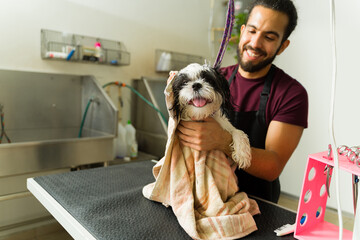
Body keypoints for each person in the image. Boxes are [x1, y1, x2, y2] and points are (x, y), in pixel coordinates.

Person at [176, 0, 308, 203]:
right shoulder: (213, 81)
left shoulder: (291, 94)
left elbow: (273, 166)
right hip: (202, 194)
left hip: (257, 203)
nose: (255, 43)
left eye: (269, 37)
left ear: (283, 46)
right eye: (252, 31)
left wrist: (223, 141)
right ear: (242, 31)